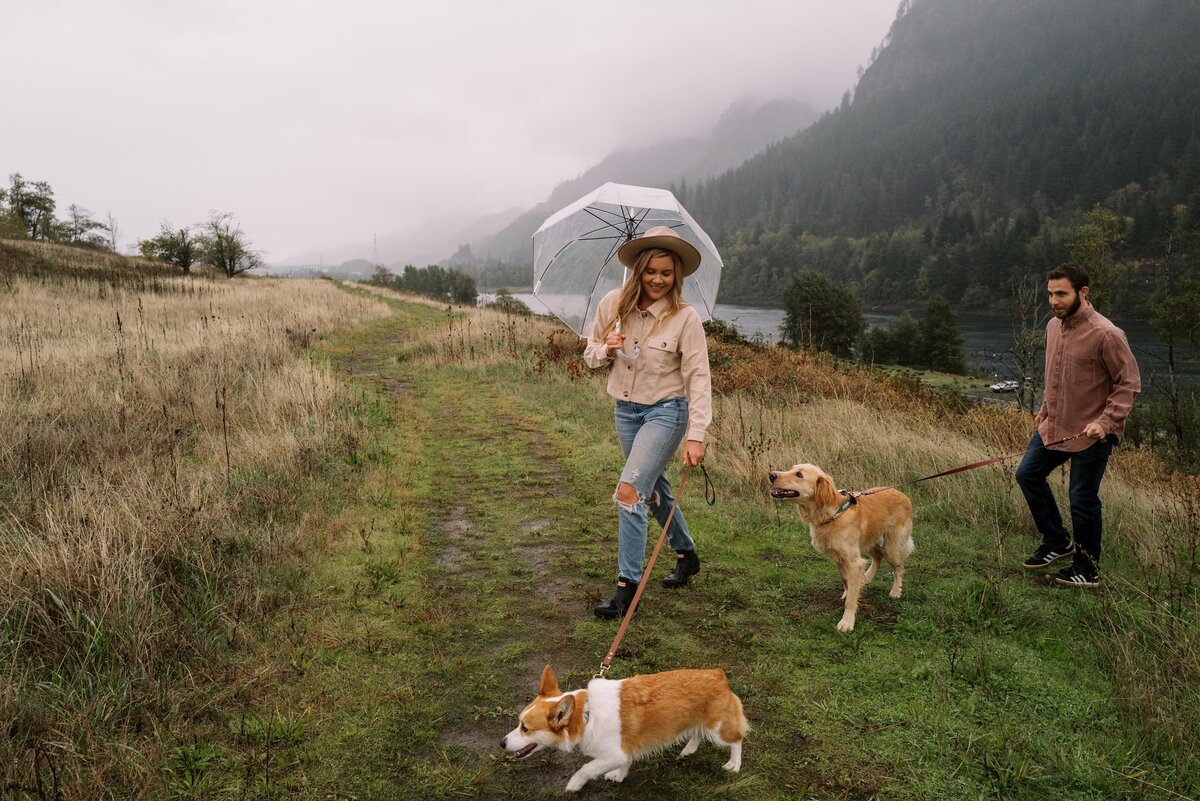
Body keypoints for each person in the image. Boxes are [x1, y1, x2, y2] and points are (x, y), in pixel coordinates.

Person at [583, 226, 713, 619]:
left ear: (677, 277)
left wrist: (697, 434)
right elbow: (588, 354)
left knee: (629, 492)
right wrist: (606, 348)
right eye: (651, 271)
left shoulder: (685, 318)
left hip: (666, 412)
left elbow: (699, 377)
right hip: (625, 411)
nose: (658, 280)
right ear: (638, 270)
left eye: (666, 273)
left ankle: (627, 588)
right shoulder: (612, 305)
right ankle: (687, 553)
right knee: (653, 489)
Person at [1017, 263, 1140, 587]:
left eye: (1061, 294)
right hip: (1056, 425)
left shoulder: (1107, 334)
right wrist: (1045, 409)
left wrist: (1105, 422)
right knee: (1027, 474)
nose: (1054, 301)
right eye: (1050, 294)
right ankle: (1057, 542)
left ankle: (1086, 569)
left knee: (1081, 498)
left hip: (1093, 433)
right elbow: (1055, 376)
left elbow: (1127, 384)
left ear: (1082, 292)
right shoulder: (1053, 328)